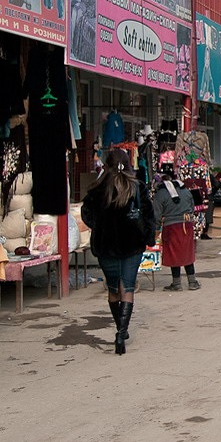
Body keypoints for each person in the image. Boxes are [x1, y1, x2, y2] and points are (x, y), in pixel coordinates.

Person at [80, 148, 155, 355]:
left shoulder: (98, 188)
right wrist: (149, 237)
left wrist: (100, 226)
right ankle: (121, 334)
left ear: (107, 164)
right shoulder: (137, 186)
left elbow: (86, 214)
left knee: (113, 289)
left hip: (106, 246)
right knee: (128, 288)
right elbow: (149, 214)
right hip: (132, 245)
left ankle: (120, 327)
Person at [153, 174, 200, 291]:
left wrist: (156, 229)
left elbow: (156, 214)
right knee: (187, 251)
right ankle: (192, 281)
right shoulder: (185, 191)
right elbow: (192, 206)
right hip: (186, 224)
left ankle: (177, 283)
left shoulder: (161, 194)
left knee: (174, 253)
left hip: (171, 226)